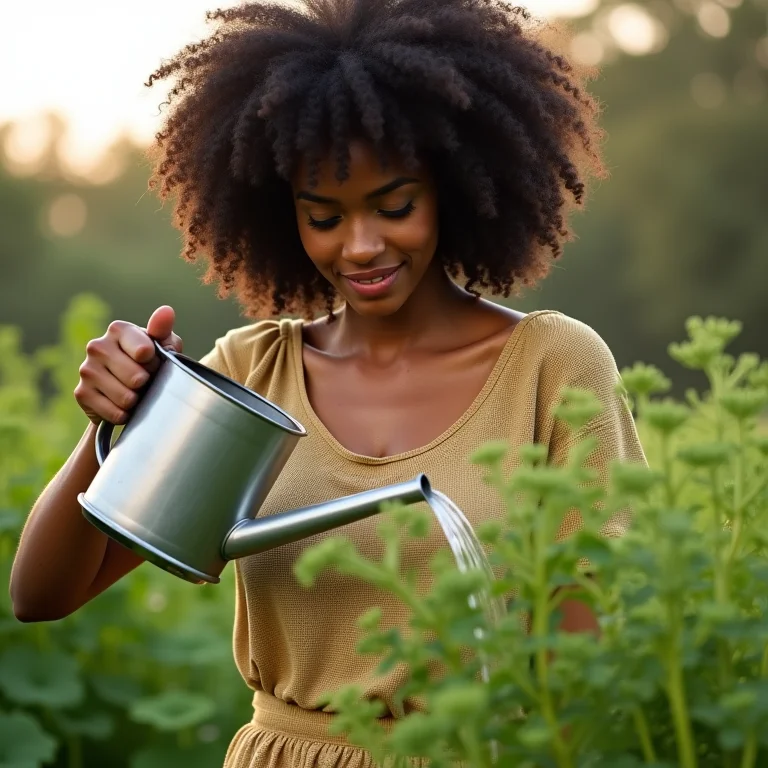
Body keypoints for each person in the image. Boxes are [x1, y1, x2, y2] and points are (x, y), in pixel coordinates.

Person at [10, 0, 647, 765]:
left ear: (456, 182)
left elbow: (590, 661)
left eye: (395, 205)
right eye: (324, 216)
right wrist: (107, 426)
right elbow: (41, 597)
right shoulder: (251, 374)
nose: (362, 246)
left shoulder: (553, 366)